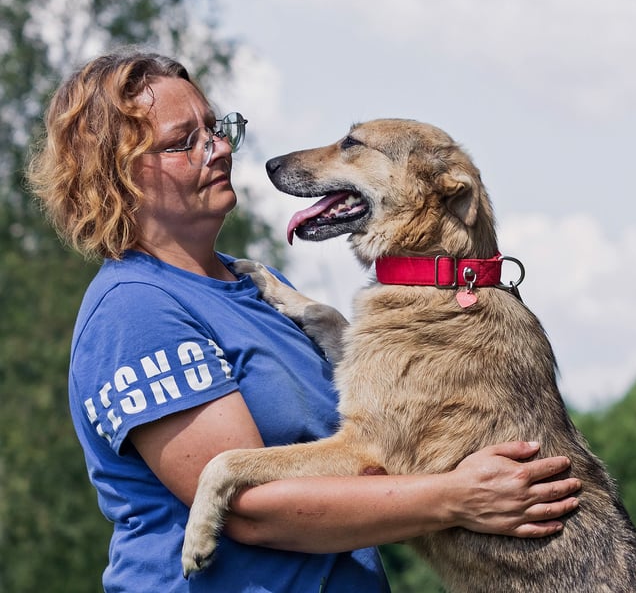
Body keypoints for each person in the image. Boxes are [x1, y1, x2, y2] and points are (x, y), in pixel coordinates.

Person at [28, 49, 581, 593]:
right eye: (184, 141)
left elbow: (376, 434)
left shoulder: (258, 286)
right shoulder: (137, 310)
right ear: (119, 176)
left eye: (215, 129)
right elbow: (255, 513)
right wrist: (456, 497)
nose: (220, 148)